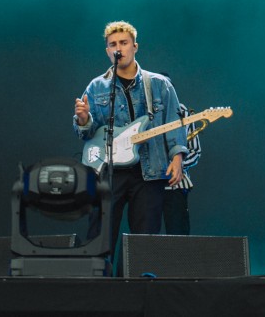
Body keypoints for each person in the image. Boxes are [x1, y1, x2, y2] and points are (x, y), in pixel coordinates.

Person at [73, 21, 189, 267]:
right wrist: (84, 119)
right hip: (109, 172)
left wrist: (178, 157)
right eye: (113, 44)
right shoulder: (96, 87)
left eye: (124, 43)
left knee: (144, 242)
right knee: (99, 238)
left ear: (135, 46)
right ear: (107, 50)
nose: (119, 49)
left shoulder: (159, 84)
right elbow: (87, 133)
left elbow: (173, 121)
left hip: (149, 172)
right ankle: (98, 293)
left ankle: (139, 293)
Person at [163, 102, 202, 235]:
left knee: (178, 236)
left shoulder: (182, 110)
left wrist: (177, 164)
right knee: (144, 236)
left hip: (176, 185)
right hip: (146, 185)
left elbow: (195, 151)